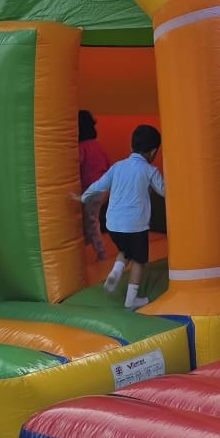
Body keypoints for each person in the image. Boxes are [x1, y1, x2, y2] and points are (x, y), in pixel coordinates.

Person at [80, 124, 165, 309]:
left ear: (130, 146)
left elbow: (100, 184)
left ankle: (116, 271)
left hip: (113, 225)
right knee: (138, 261)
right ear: (153, 152)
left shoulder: (117, 167)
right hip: (136, 225)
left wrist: (84, 196)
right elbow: (164, 191)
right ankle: (131, 300)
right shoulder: (150, 171)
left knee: (125, 250)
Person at [78, 110, 112, 261]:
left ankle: (101, 252)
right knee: (89, 218)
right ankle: (87, 240)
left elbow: (75, 166)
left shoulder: (82, 148)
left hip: (92, 190)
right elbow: (107, 164)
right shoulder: (97, 146)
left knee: (92, 221)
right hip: (104, 189)